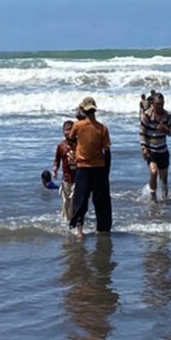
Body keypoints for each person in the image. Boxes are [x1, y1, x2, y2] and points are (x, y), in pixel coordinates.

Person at [67, 97, 112, 237]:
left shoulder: (78, 126)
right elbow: (107, 151)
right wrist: (107, 170)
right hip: (99, 168)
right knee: (101, 201)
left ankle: (79, 230)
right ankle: (102, 229)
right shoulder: (102, 128)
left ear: (83, 110)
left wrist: (74, 151)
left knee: (80, 200)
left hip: (83, 167)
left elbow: (70, 138)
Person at [140, 93, 171, 202]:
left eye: (161, 104)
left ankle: (165, 200)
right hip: (151, 151)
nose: (159, 106)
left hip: (163, 151)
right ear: (153, 104)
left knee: (164, 179)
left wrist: (165, 129)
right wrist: (143, 148)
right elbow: (142, 132)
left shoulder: (167, 116)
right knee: (154, 172)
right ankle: (153, 197)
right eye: (157, 104)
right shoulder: (147, 115)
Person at [52, 121, 76, 222]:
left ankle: (76, 220)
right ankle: (67, 222)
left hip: (79, 177)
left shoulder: (80, 144)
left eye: (70, 129)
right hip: (66, 178)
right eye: (66, 130)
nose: (68, 132)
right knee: (66, 201)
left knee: (75, 199)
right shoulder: (61, 146)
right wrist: (55, 169)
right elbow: (57, 160)